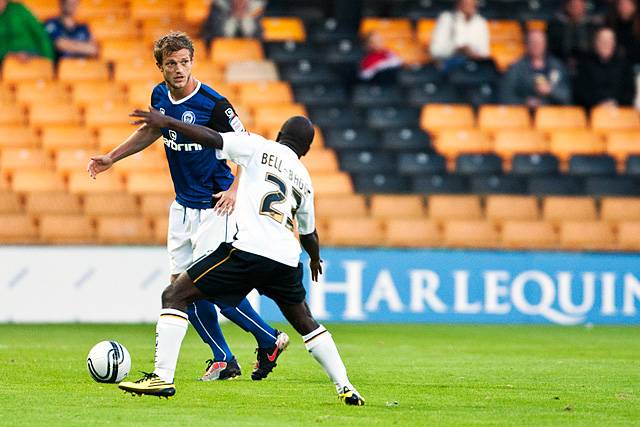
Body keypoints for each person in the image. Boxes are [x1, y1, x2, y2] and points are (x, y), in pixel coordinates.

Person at [117, 113, 365, 406]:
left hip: (248, 249)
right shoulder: (304, 179)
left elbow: (212, 138)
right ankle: (346, 386)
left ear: (279, 133)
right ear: (307, 150)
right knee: (306, 322)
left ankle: (162, 377)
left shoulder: (259, 147)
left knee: (175, 294)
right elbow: (309, 233)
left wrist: (169, 123)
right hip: (286, 259)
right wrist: (314, 258)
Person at [87, 32, 287, 382]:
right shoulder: (159, 96)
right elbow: (151, 132)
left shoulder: (214, 104)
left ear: (193, 61)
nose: (178, 70)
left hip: (217, 205)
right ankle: (223, 357)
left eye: (184, 62)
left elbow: (248, 147)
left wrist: (236, 190)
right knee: (181, 288)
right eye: (171, 64)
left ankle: (268, 337)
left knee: (209, 285)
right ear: (160, 67)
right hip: (182, 207)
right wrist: (111, 157)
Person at [499, 30, 572, 107]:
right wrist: (525, 103)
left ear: (545, 44)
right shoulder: (515, 68)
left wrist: (550, 90)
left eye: (540, 42)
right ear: (526, 45)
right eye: (533, 42)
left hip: (553, 115)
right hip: (523, 115)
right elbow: (505, 98)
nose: (537, 45)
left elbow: (567, 97)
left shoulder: (557, 66)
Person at [574, 27, 635, 109]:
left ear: (614, 43)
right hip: (592, 112)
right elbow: (581, 92)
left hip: (620, 111)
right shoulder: (584, 65)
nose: (606, 44)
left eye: (609, 40)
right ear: (595, 43)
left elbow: (629, 92)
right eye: (602, 40)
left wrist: (615, 104)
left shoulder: (624, 66)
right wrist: (599, 104)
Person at [429, 0, 490, 66]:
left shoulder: (480, 22)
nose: (467, 5)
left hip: (474, 66)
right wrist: (457, 50)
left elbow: (484, 53)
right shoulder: (446, 19)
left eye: (470, 3)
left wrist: (472, 53)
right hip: (451, 65)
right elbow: (435, 50)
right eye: (465, 3)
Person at [546, 0, 601, 69]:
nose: (575, 8)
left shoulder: (593, 26)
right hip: (560, 63)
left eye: (578, 5)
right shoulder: (555, 25)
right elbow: (551, 50)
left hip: (588, 65)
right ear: (566, 6)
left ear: (584, 6)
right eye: (572, 5)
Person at [200, 0, 265, 43]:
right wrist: (232, 19)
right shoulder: (217, 9)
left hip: (249, 57)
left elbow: (258, 41)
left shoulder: (257, 10)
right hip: (222, 55)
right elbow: (214, 39)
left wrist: (246, 20)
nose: (240, 2)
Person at [606, 0, 640, 64]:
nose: (624, 7)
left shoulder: (637, 24)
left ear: (635, 6)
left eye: (628, 4)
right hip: (618, 64)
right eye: (621, 4)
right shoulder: (611, 22)